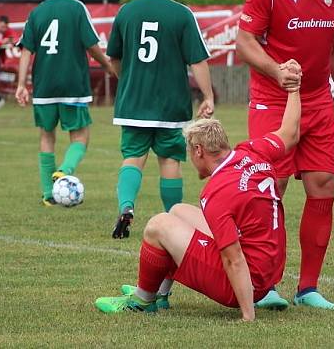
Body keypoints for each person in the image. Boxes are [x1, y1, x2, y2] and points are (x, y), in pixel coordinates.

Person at [94, 61, 302, 321]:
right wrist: (295, 89)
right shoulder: (252, 151)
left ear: (199, 151)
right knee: (177, 210)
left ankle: (142, 300)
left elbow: (233, 258)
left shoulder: (216, 192)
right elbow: (290, 133)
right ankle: (159, 292)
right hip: (266, 270)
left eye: (189, 152)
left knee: (159, 225)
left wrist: (248, 315)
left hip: (246, 282)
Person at [235, 0, 334, 310]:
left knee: (324, 185)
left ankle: (308, 289)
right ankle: (266, 284)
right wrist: (276, 71)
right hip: (274, 102)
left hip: (319, 101)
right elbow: (244, 42)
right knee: (272, 189)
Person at [107, 0, 215, 239]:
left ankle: (126, 207)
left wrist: (127, 80)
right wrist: (208, 95)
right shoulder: (181, 14)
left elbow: (114, 58)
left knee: (132, 157)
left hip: (133, 103)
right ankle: (174, 218)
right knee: (169, 161)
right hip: (171, 105)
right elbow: (198, 60)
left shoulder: (126, 12)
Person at [15, 0, 115, 206]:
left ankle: (49, 194)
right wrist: (108, 66)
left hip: (44, 86)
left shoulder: (36, 13)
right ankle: (65, 169)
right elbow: (91, 45)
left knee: (46, 136)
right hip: (73, 84)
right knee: (80, 136)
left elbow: (26, 51)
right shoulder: (76, 8)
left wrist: (21, 84)